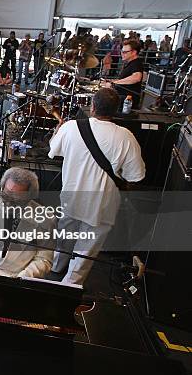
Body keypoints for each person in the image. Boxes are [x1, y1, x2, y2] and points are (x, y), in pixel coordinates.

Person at [48, 88, 145, 284]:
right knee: (86, 249)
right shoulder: (126, 137)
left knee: (64, 235)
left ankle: (56, 267)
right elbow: (136, 176)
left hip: (71, 197)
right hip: (103, 204)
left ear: (92, 107)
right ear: (116, 110)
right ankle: (70, 285)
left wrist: (58, 131)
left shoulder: (71, 127)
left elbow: (53, 151)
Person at [101, 39, 144, 108]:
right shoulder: (130, 63)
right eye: (121, 52)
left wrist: (115, 83)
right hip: (123, 98)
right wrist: (113, 81)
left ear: (134, 52)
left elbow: (136, 77)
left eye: (125, 52)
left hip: (127, 101)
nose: (122, 54)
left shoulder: (136, 63)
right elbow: (125, 80)